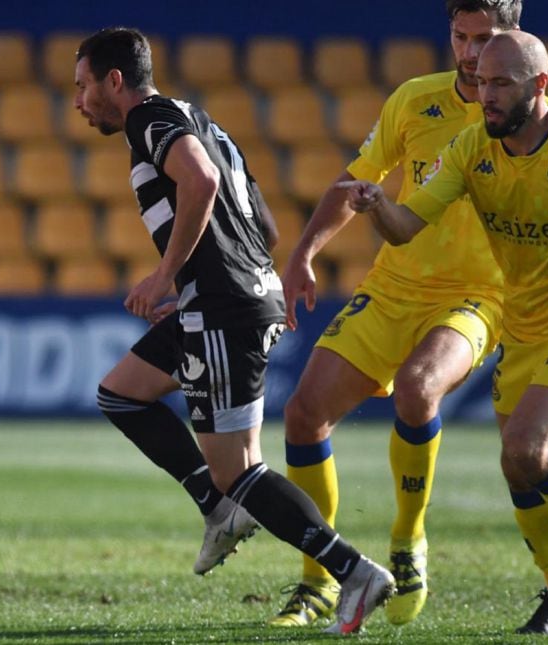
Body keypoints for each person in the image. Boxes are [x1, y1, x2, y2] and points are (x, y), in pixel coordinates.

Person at [74, 27, 393, 634]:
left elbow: (202, 182)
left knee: (240, 470)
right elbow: (265, 227)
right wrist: (199, 278)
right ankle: (216, 509)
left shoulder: (148, 120)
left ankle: (354, 574)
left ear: (115, 81)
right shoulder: (204, 120)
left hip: (225, 309)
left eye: (83, 86)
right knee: (121, 391)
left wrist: (170, 276)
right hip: (227, 298)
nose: (78, 101)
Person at [338, 31, 548, 635]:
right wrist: (377, 203)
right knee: (519, 470)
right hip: (523, 323)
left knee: (526, 449)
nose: (486, 95)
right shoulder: (469, 149)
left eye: (501, 83)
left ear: (540, 85)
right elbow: (405, 227)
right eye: (481, 82)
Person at [273, 0, 519, 628]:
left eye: (484, 39)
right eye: (460, 36)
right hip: (394, 288)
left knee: (417, 388)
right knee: (302, 417)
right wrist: (303, 254)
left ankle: (408, 542)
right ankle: (319, 581)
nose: (469, 52)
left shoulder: (527, 116)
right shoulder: (415, 99)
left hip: (476, 297)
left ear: (512, 38)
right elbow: (356, 179)